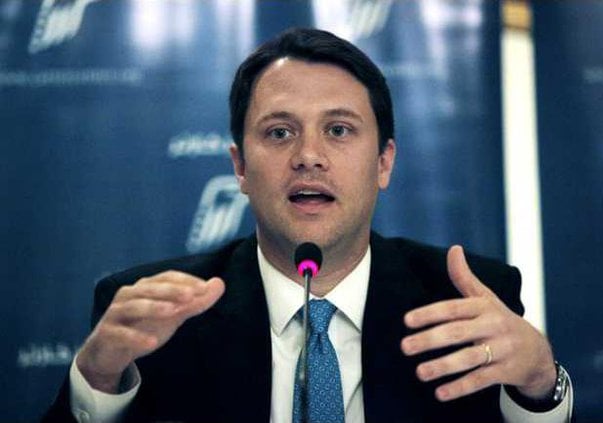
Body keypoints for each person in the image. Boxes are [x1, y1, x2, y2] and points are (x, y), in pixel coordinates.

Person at [43, 27, 572, 423]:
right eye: (279, 133)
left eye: (338, 130)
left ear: (384, 162)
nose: (309, 156)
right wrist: (97, 381)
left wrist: (538, 385)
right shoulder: (159, 321)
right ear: (240, 168)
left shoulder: (465, 302)